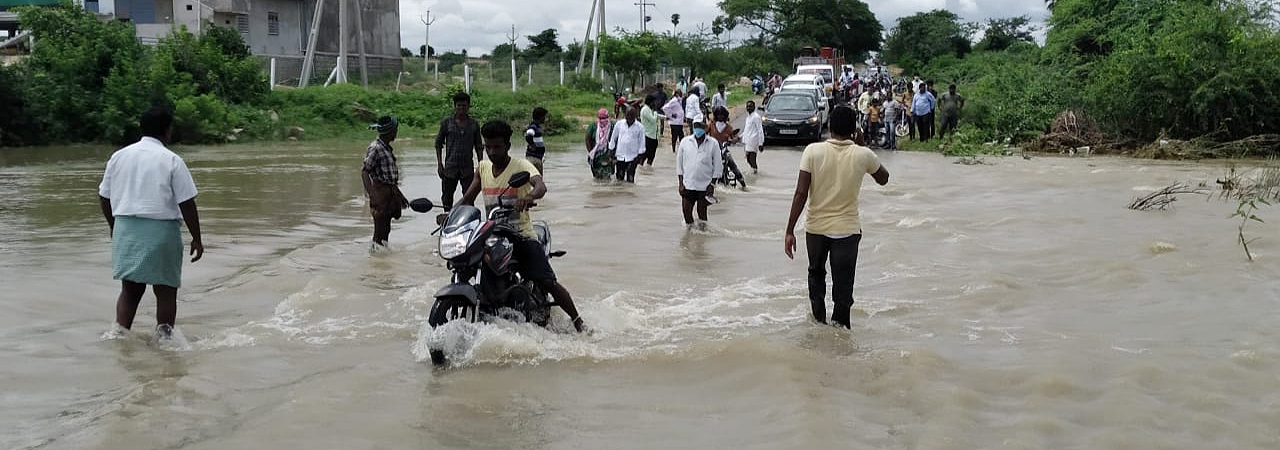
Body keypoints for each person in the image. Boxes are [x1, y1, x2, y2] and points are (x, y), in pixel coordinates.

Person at [458, 120, 586, 333]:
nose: (492, 152)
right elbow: (468, 198)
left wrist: (527, 197)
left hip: (520, 236)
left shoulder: (521, 166)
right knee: (464, 265)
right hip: (490, 235)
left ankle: (579, 322)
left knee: (546, 281)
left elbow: (540, 186)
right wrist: (451, 214)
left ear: (508, 145)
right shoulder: (483, 167)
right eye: (487, 146)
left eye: (497, 147)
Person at [98, 105, 204, 338]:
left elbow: (104, 197)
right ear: (167, 131)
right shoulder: (172, 160)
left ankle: (119, 336)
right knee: (165, 292)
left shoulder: (119, 156)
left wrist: (114, 227)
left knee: (130, 291)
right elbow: (187, 203)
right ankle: (165, 342)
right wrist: (197, 238)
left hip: (126, 229)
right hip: (161, 230)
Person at [783, 106, 890, 329]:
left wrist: (789, 229)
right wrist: (861, 145)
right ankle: (840, 329)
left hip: (816, 228)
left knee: (816, 273)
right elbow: (883, 178)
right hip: (848, 231)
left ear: (829, 126)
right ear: (854, 130)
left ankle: (819, 322)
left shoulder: (812, 151)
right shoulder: (863, 154)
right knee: (843, 282)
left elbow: (801, 193)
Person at [362, 115, 409, 250]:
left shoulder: (386, 148)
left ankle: (381, 257)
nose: (396, 132)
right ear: (389, 132)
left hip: (389, 193)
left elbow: (389, 179)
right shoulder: (375, 148)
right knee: (380, 230)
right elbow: (365, 171)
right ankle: (376, 259)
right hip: (380, 194)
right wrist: (372, 195)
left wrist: (400, 196)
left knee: (386, 229)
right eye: (395, 130)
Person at [434, 92, 484, 211]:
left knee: (469, 197)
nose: (461, 108)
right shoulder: (447, 123)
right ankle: (447, 220)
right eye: (459, 106)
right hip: (450, 167)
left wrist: (481, 166)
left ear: (468, 107)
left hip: (467, 168)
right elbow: (438, 143)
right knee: (447, 198)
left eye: (464, 106)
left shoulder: (474, 125)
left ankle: (468, 221)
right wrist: (440, 164)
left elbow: (479, 146)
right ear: (455, 106)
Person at [676, 121, 721, 227]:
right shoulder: (685, 142)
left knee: (702, 216)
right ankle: (690, 235)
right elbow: (679, 164)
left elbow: (718, 166)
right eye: (696, 126)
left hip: (704, 186)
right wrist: (681, 183)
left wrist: (712, 185)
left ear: (705, 128)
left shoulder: (713, 143)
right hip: (688, 184)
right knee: (686, 212)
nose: (698, 129)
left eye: (700, 126)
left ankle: (702, 238)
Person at [609, 106, 645, 183]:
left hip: (633, 158)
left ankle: (630, 194)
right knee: (619, 178)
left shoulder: (640, 127)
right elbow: (613, 138)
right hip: (620, 156)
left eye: (632, 116)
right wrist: (611, 152)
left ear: (635, 116)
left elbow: (642, 143)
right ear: (625, 115)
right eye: (628, 115)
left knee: (630, 178)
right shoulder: (619, 124)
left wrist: (638, 158)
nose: (630, 118)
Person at [585, 108, 615, 180]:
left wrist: (613, 156)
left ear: (608, 117)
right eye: (601, 118)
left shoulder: (613, 126)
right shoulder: (593, 126)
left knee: (607, 177)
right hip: (595, 156)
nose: (602, 120)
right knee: (596, 177)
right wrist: (591, 152)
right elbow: (587, 139)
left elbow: (616, 139)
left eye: (604, 118)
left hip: (608, 156)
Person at [640, 95, 663, 168]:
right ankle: (641, 169)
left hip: (653, 136)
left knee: (651, 156)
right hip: (648, 136)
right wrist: (656, 112)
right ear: (651, 102)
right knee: (644, 156)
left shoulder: (649, 110)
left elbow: (656, 116)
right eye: (654, 102)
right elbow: (653, 120)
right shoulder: (645, 110)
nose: (655, 104)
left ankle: (648, 170)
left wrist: (668, 117)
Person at [741, 100, 764, 173]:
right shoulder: (748, 117)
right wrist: (739, 137)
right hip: (748, 141)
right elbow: (746, 130)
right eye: (747, 106)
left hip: (754, 141)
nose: (748, 108)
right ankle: (753, 170)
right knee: (748, 159)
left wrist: (761, 143)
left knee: (752, 159)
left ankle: (755, 172)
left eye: (750, 106)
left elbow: (760, 130)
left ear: (754, 107)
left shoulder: (756, 117)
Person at [524, 106, 548, 174]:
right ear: (540, 117)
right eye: (544, 117)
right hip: (533, 158)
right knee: (536, 180)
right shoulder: (533, 127)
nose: (545, 119)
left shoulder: (536, 127)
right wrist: (532, 145)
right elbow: (528, 136)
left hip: (537, 158)